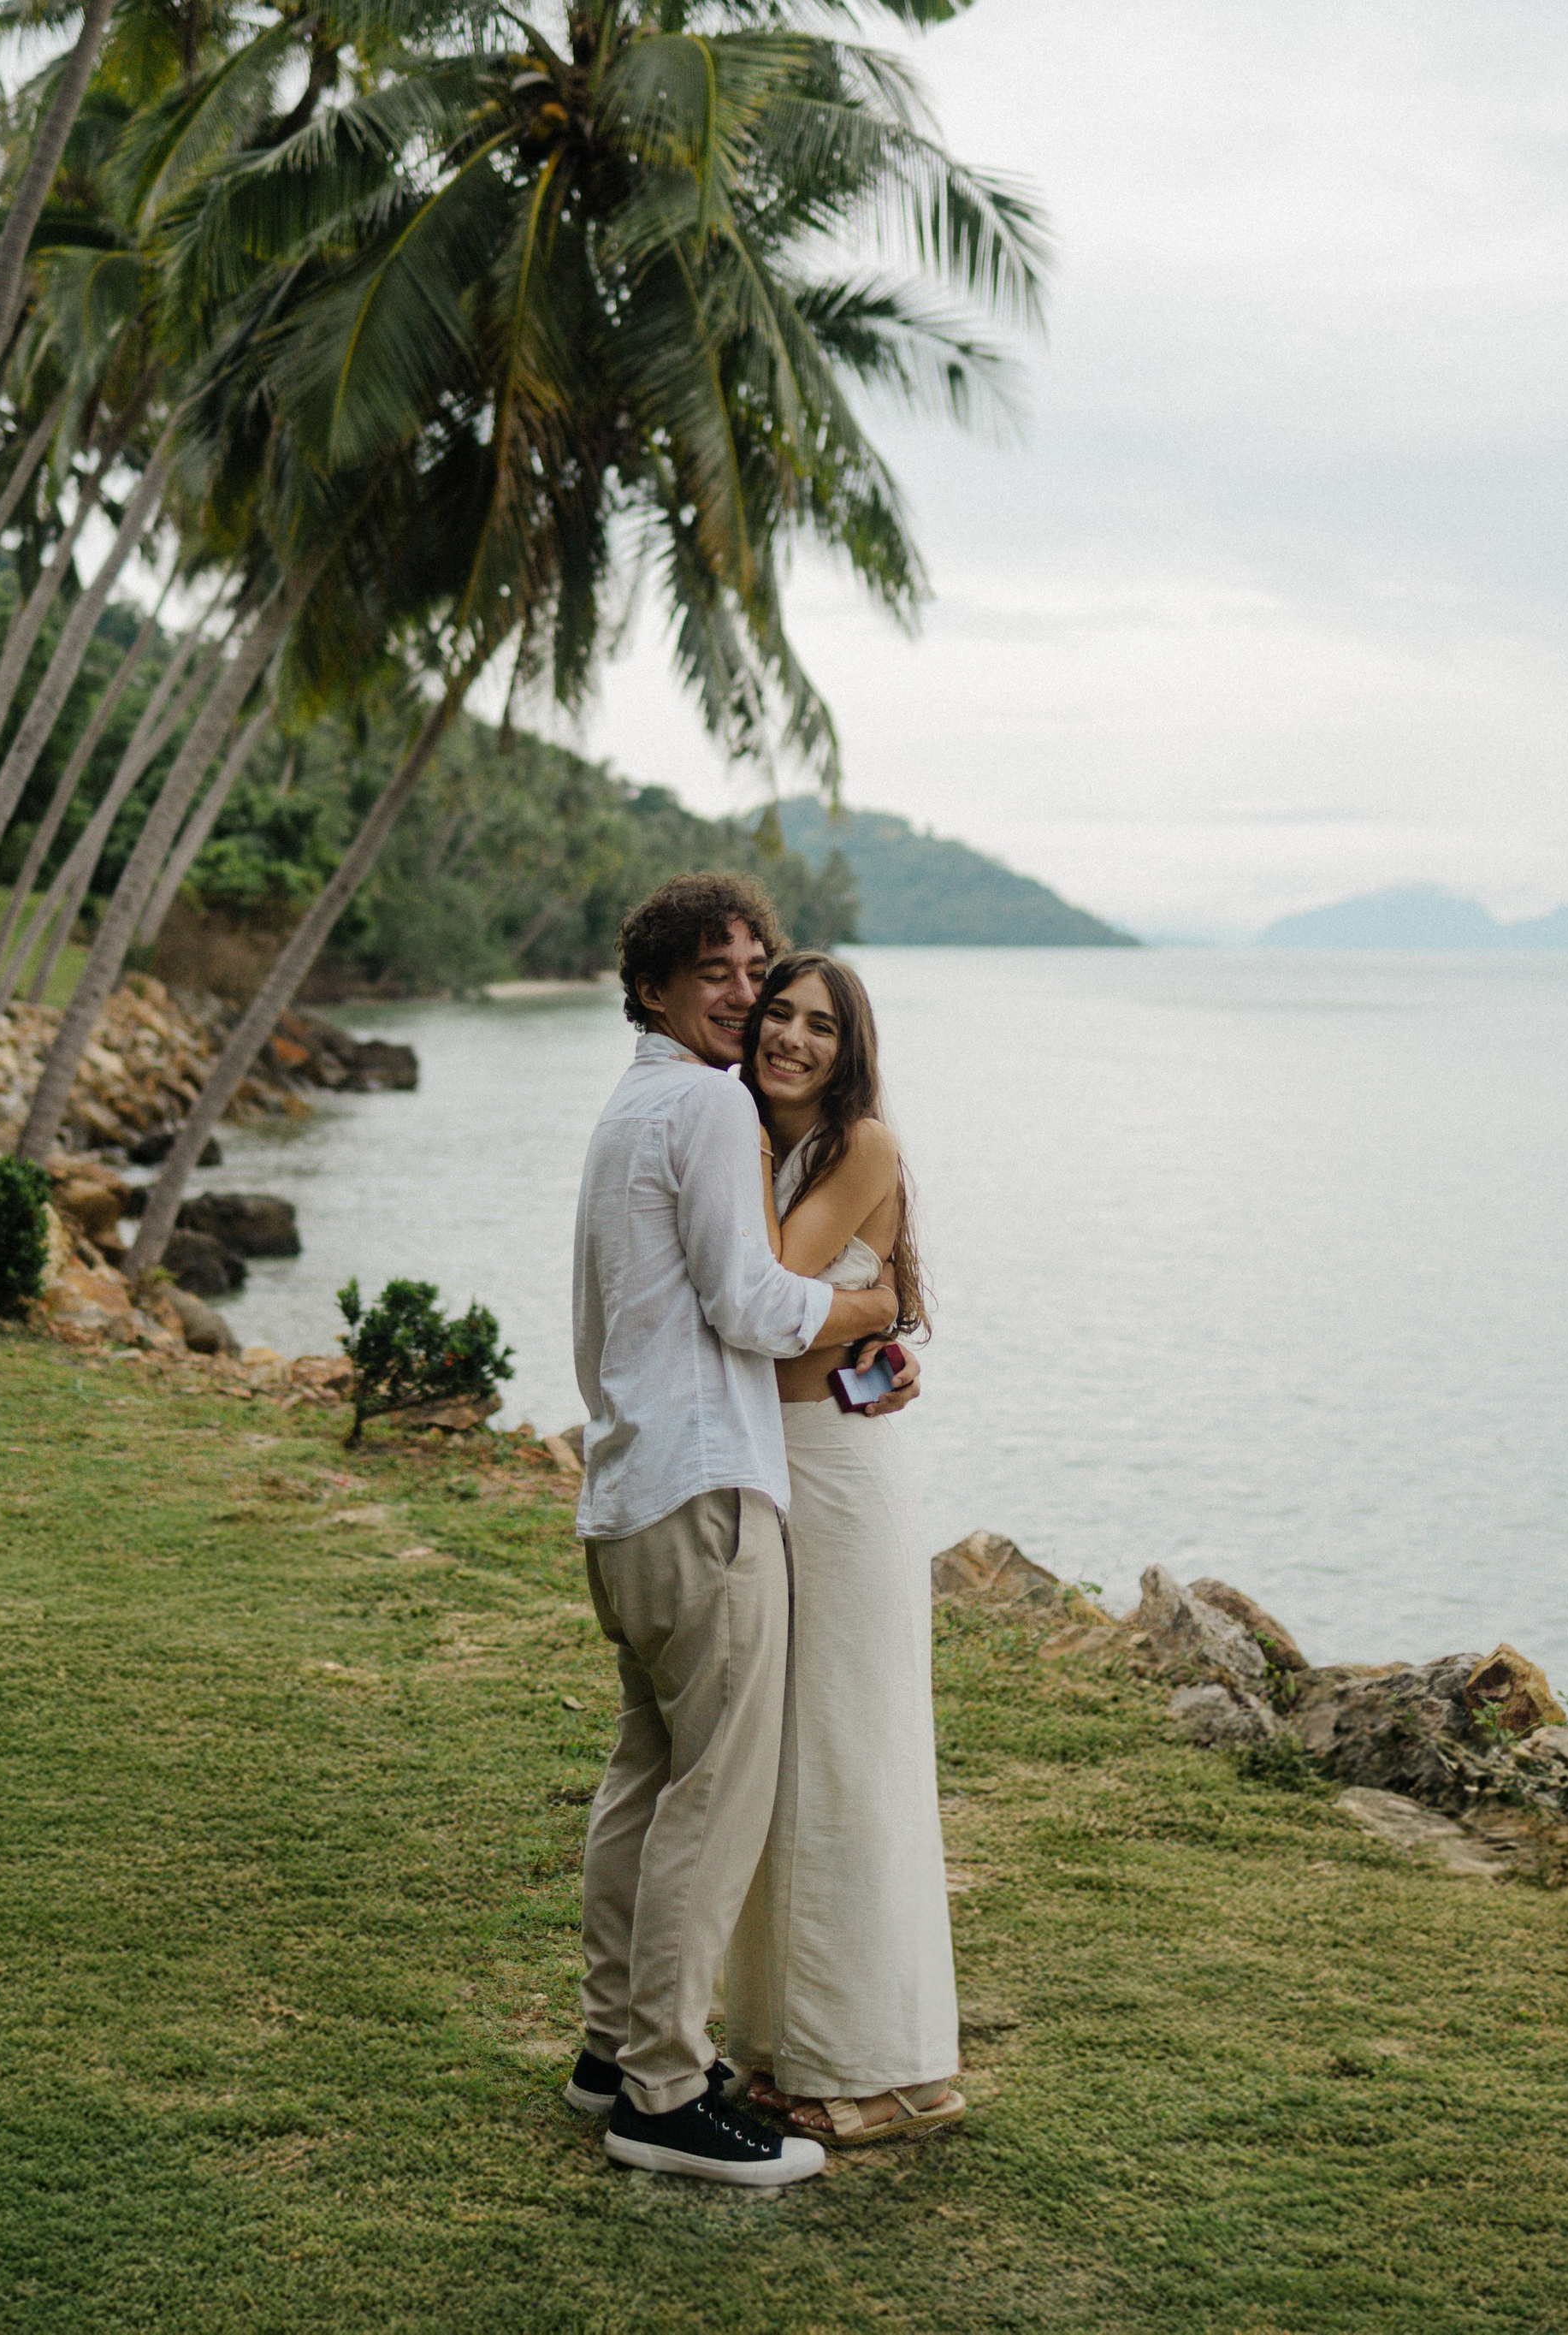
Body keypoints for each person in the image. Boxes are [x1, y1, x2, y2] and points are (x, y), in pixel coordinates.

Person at [564, 874, 909, 2188]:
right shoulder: (708, 1100)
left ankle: (612, 2047)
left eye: (753, 965)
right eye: (714, 968)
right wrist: (864, 1301)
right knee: (716, 1793)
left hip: (627, 1491)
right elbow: (753, 1299)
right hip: (705, 1496)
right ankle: (660, 2085)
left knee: (646, 1777)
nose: (744, 990)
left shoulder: (629, 1103)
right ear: (652, 986)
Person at [722, 949, 965, 2145]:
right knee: (787, 1758)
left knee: (852, 1752)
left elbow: (766, 1284)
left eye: (822, 1025)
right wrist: (873, 1315)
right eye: (779, 1015)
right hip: (783, 1466)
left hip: (843, 1472)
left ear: (850, 1045)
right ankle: (789, 2044)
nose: (794, 1039)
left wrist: (870, 1316)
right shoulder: (760, 1139)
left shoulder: (857, 1142)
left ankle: (887, 2071)